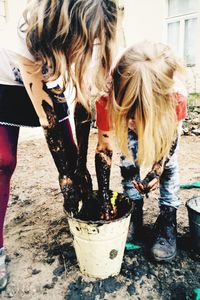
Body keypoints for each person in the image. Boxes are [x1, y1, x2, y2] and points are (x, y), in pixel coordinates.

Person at [0, 0, 118, 290]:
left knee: (75, 164)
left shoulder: (100, 36)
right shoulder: (27, 30)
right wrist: (63, 172)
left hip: (52, 85)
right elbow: (46, 116)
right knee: (3, 161)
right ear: (64, 31)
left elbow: (87, 110)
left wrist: (78, 167)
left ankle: (82, 222)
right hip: (6, 84)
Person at [95, 41, 187, 262]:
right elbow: (104, 149)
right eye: (129, 111)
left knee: (170, 168)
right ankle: (134, 212)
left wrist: (157, 170)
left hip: (162, 125)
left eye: (140, 112)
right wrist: (105, 200)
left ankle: (167, 218)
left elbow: (170, 142)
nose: (135, 120)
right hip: (129, 127)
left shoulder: (175, 96)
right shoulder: (107, 96)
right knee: (128, 163)